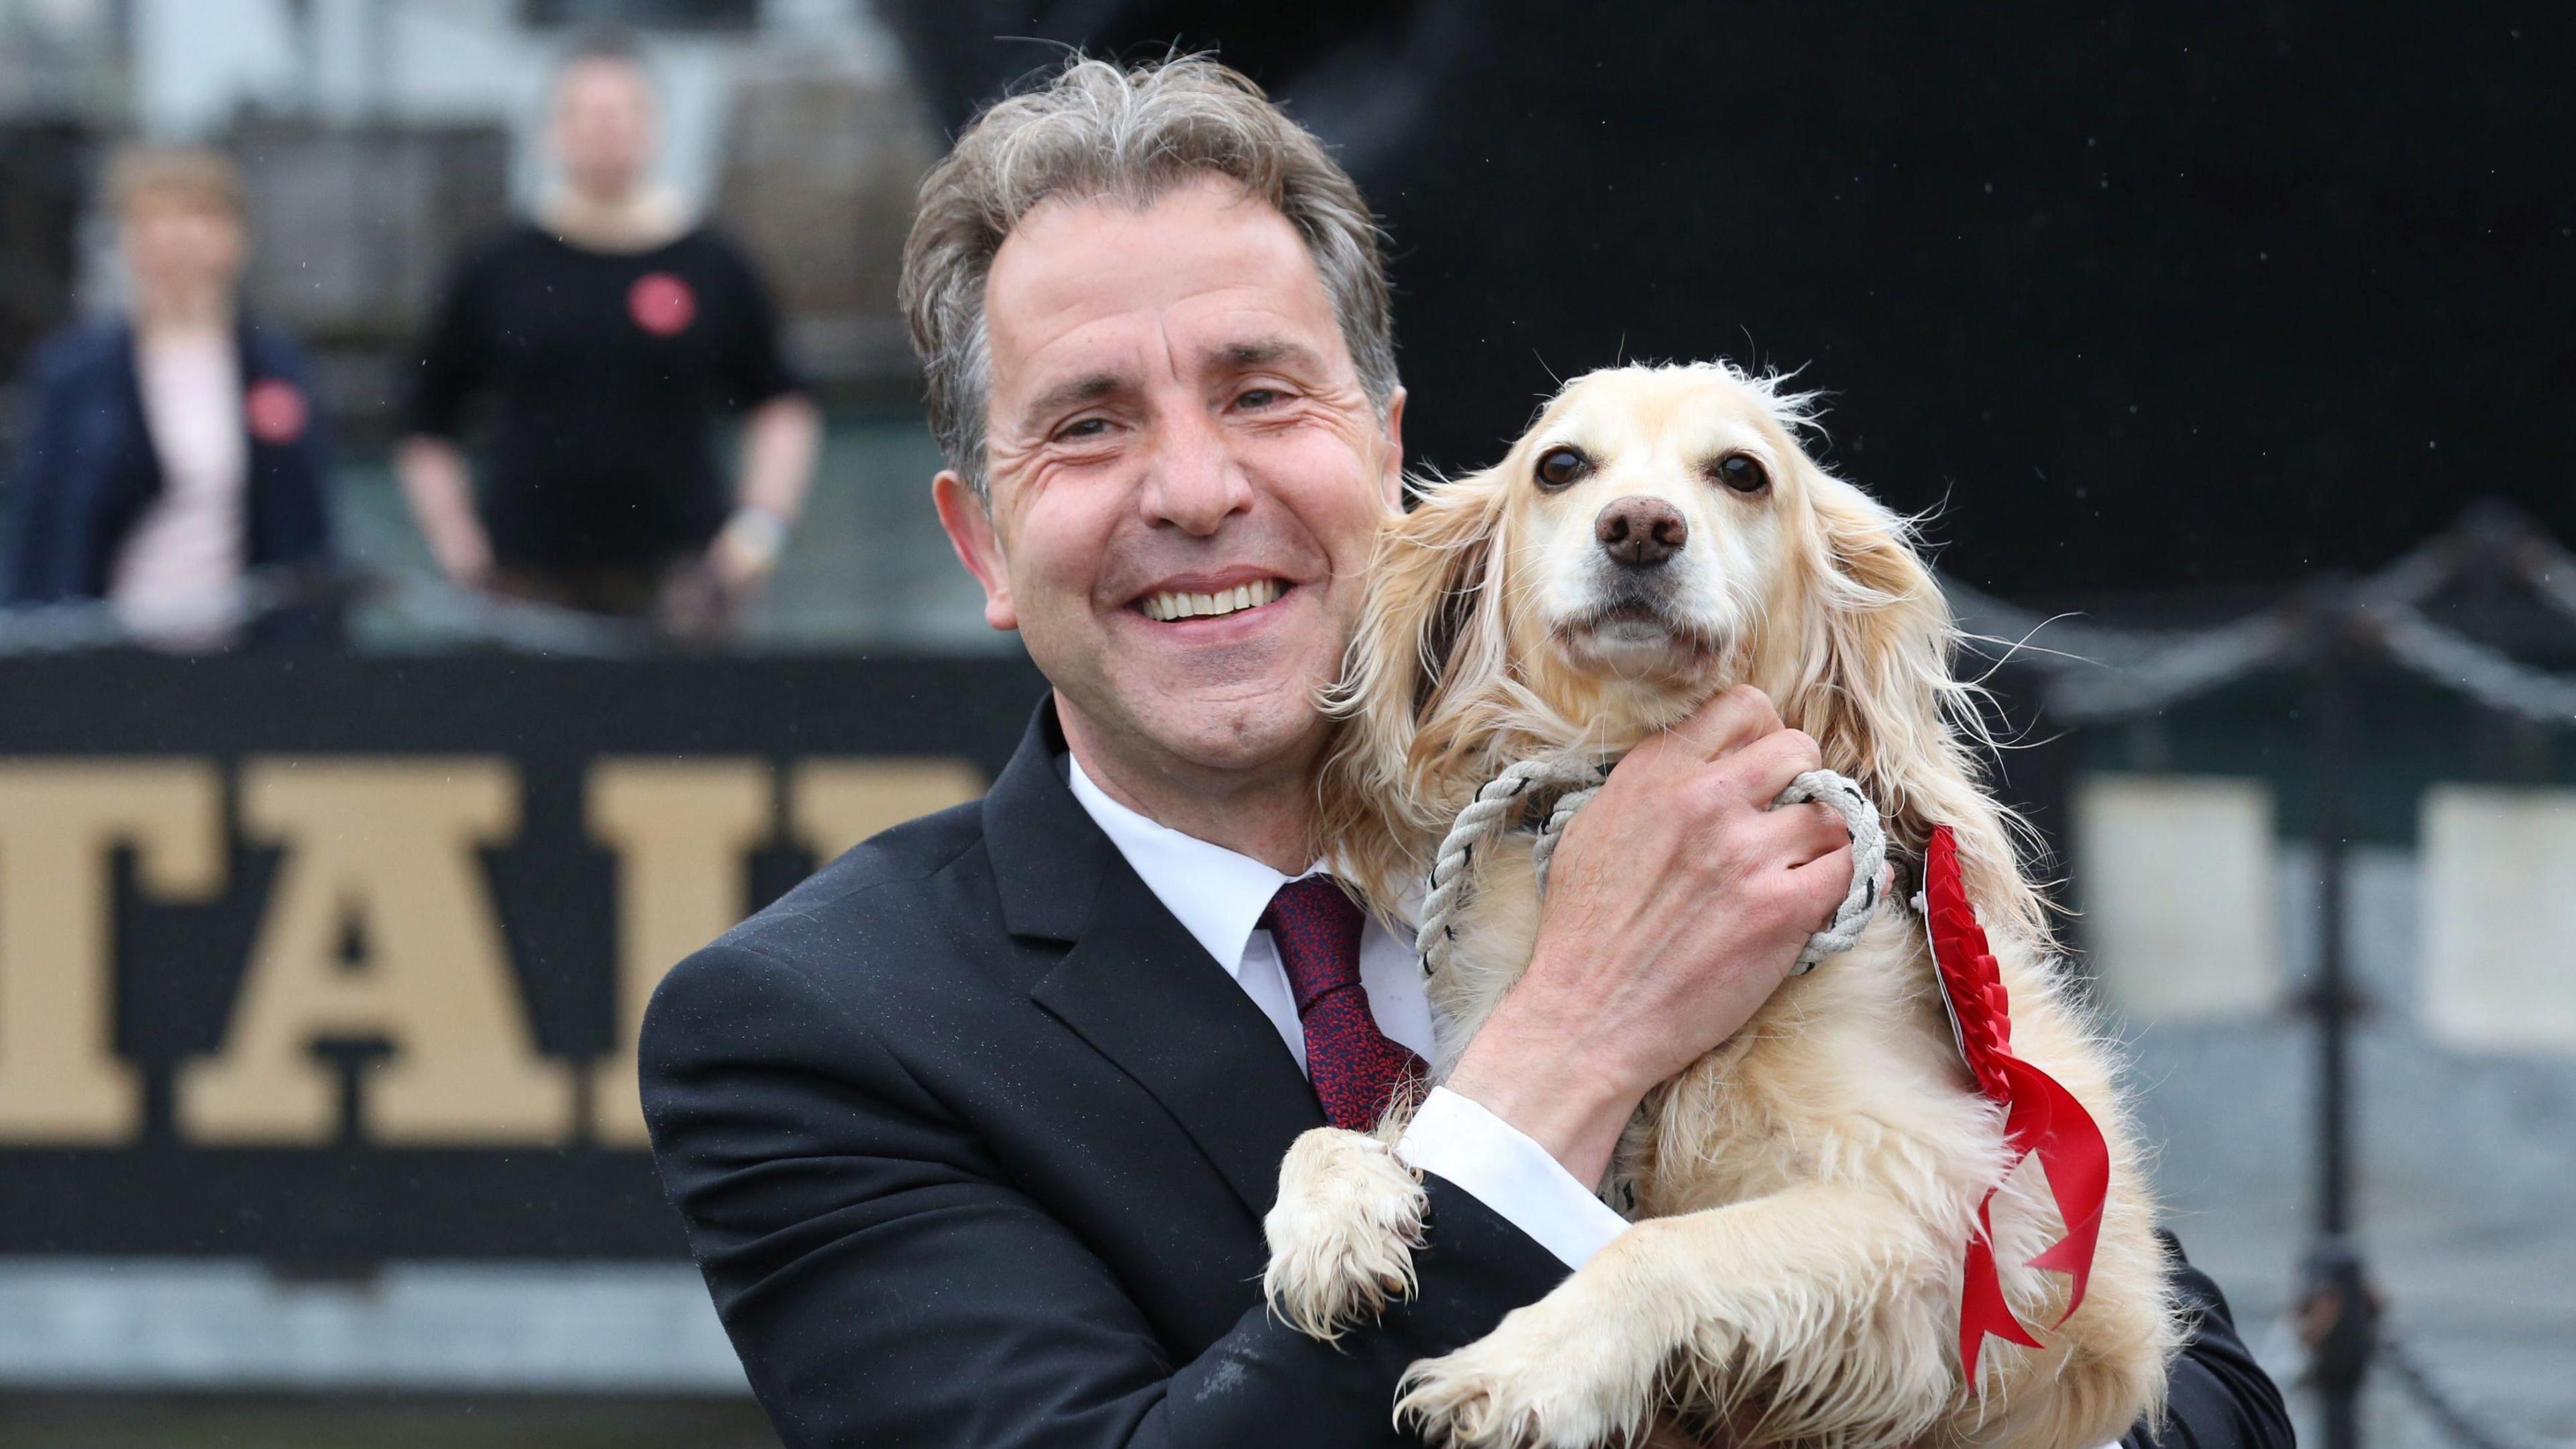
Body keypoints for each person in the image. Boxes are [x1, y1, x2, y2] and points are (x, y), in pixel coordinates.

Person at [641, 58, 2290, 1449]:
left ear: (1388, 454)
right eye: (1086, 423)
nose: (1196, 487)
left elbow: (2201, 1395)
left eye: (1261, 390)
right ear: (982, 545)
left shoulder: (1804, 853)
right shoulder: (814, 1034)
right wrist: (1570, 1037)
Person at [397, 30, 820, 643]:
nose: (605, 130)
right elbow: (425, 424)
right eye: (585, 115)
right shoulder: (496, 267)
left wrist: (757, 538)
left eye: (623, 113)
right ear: (551, 129)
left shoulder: (711, 262)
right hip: (522, 593)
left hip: (684, 591)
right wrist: (459, 547)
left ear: (654, 126)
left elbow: (784, 408)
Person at [3, 145, 333, 649]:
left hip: (248, 667)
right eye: (156, 219)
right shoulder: (74, 372)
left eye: (200, 216)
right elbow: (43, 530)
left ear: (238, 236)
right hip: (106, 663)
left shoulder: (276, 366)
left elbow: (305, 531)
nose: (179, 237)